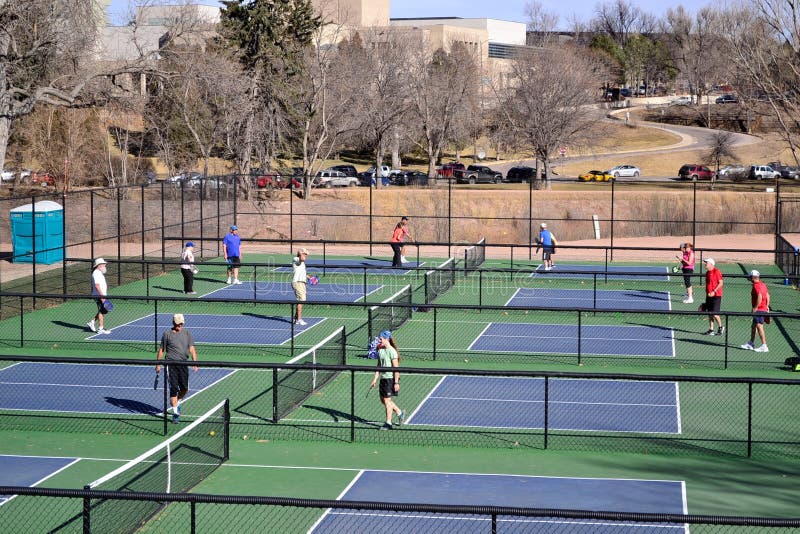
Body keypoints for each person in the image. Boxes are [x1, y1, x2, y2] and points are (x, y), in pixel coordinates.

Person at [156, 313, 198, 424]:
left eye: (181, 323)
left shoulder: (187, 333)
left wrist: (195, 362)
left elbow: (192, 349)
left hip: (183, 364)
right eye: (178, 323)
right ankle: (175, 414)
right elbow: (161, 350)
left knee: (185, 389)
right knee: (174, 388)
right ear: (174, 323)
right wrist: (158, 364)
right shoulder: (167, 334)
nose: (180, 325)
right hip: (171, 365)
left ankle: (177, 402)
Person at [370, 330, 404, 430]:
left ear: (387, 339)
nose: (379, 341)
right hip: (383, 379)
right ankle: (399, 412)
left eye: (381, 339)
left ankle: (388, 423)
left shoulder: (392, 351)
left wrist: (396, 382)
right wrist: (375, 379)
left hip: (390, 379)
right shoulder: (380, 350)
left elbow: (396, 368)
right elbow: (378, 366)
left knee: (387, 401)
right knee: (383, 400)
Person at [740, 270, 770, 352]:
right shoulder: (763, 284)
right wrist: (767, 306)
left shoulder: (756, 286)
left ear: (752, 277)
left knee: (759, 326)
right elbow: (767, 295)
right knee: (754, 326)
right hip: (763, 308)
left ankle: (764, 346)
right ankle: (751, 343)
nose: (749, 278)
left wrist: (755, 307)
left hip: (759, 309)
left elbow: (760, 296)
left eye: (750, 276)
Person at [87, 257, 112, 334]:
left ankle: (92, 322)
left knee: (103, 310)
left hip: (101, 295)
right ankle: (100, 328)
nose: (105, 265)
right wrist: (102, 297)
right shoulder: (96, 273)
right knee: (102, 310)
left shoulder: (99, 272)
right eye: (104, 264)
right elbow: (97, 286)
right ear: (99, 265)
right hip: (99, 296)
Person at [702, 258, 724, 336]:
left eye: (706, 263)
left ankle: (721, 327)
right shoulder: (707, 273)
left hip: (716, 295)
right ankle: (711, 329)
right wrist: (708, 293)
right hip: (709, 296)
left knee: (715, 314)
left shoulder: (716, 271)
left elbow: (721, 283)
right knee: (710, 313)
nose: (705, 264)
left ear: (711, 264)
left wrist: (714, 291)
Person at [291, 248, 313, 325]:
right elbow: (302, 259)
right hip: (297, 283)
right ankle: (299, 319)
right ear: (301, 254)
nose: (306, 256)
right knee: (302, 300)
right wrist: (301, 253)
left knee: (300, 301)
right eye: (305, 254)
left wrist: (309, 277)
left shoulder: (302, 263)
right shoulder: (296, 259)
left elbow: (301, 272)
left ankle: (295, 318)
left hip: (302, 283)